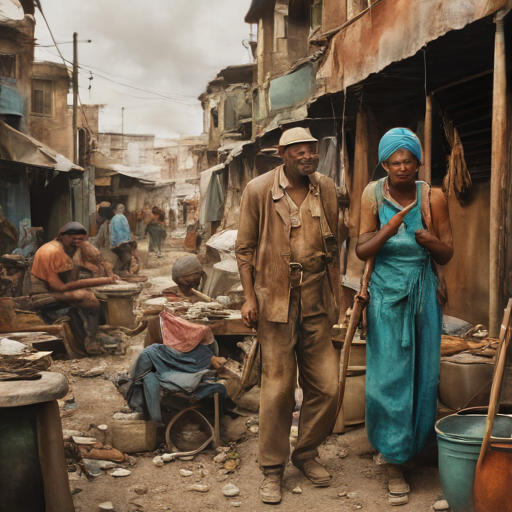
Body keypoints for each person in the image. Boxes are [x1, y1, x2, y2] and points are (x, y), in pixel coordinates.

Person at [235, 127, 341, 503]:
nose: (308, 156)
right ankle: (272, 469)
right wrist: (249, 298)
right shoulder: (259, 189)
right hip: (274, 300)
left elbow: (335, 243)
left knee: (328, 386)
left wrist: (337, 297)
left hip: (316, 298)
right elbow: (244, 249)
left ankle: (306, 452)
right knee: (278, 390)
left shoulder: (325, 187)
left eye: (312, 150)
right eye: (300, 151)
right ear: (282, 153)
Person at [356, 127, 453, 505]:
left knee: (425, 377)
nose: (402, 168)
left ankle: (414, 448)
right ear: (384, 165)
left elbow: (447, 252)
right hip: (385, 297)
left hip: (425, 293)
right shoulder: (372, 194)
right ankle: (393, 460)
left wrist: (430, 242)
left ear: (418, 162)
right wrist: (391, 228)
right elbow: (364, 249)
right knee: (389, 377)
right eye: (395, 163)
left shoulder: (434, 197)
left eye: (408, 161)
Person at [30, 222, 118, 355]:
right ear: (61, 236)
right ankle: (91, 340)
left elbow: (75, 275)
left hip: (54, 290)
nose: (77, 242)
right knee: (90, 299)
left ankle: (93, 335)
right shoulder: (53, 251)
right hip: (43, 295)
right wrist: (100, 280)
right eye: (72, 237)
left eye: (80, 239)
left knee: (93, 296)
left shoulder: (68, 248)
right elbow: (59, 287)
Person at [145, 255, 207, 347]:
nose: (199, 278)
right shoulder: (167, 297)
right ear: (183, 280)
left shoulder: (200, 298)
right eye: (196, 275)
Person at [109, 204, 140, 274]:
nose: (121, 210)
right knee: (127, 252)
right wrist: (124, 240)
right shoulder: (117, 218)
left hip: (122, 240)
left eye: (122, 208)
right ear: (116, 210)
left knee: (132, 248)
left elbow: (126, 230)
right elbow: (117, 231)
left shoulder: (122, 217)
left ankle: (129, 269)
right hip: (118, 241)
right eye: (120, 208)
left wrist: (129, 238)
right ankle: (126, 269)